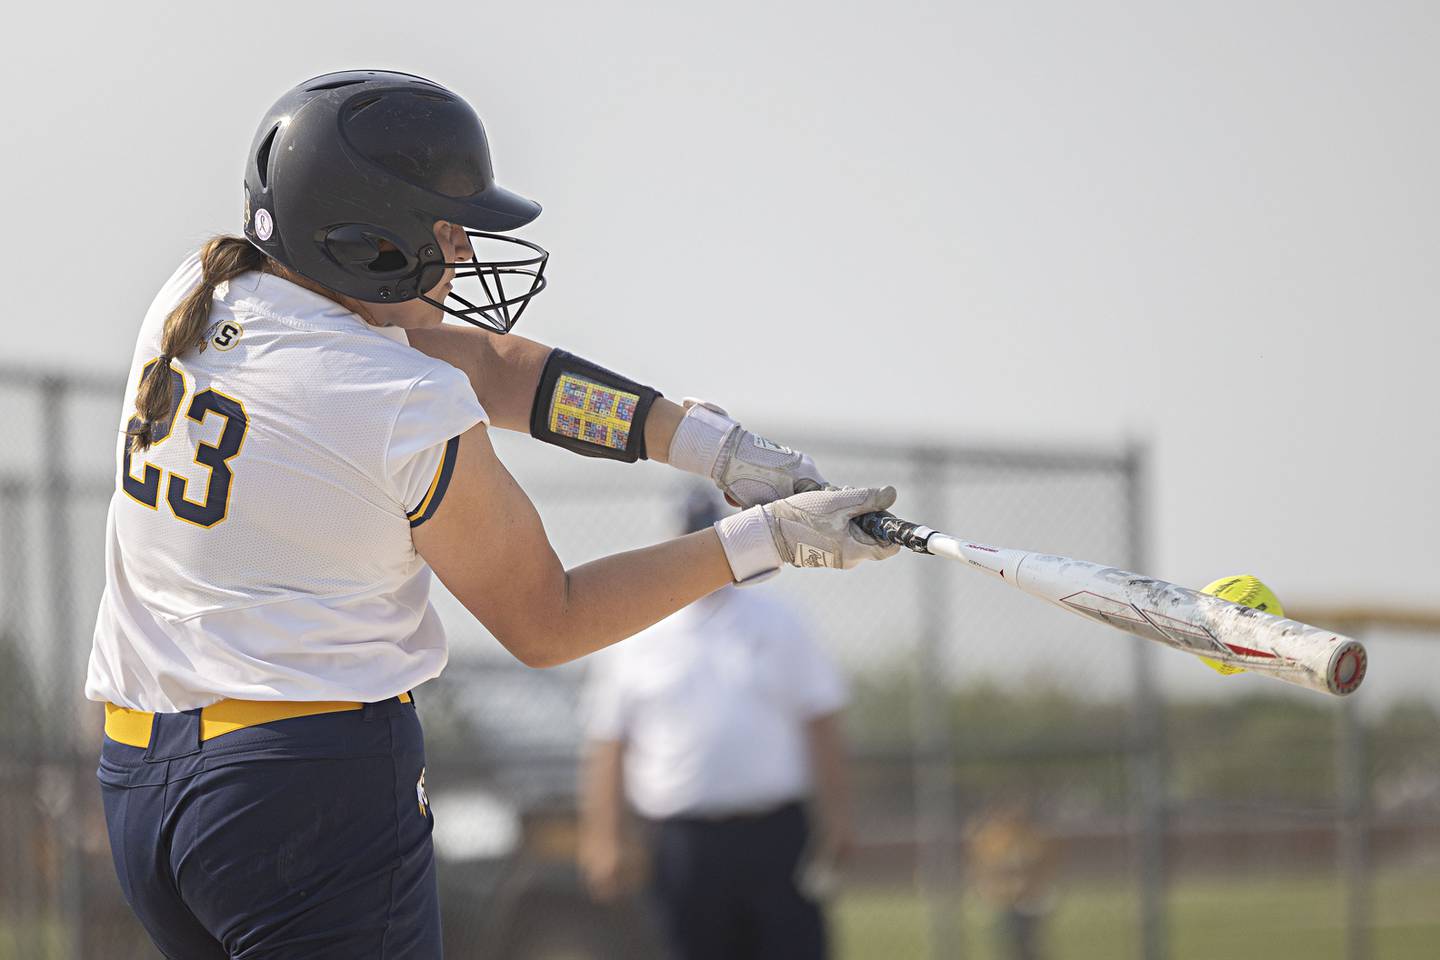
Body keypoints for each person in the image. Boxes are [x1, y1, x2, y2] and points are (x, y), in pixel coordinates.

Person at [85, 69, 898, 960]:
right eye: (441, 228)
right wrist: (761, 540)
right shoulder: (397, 397)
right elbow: (549, 620)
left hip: (141, 784)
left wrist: (708, 445)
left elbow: (499, 367)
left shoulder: (197, 296)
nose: (464, 254)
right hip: (301, 789)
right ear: (362, 240)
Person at [578, 489, 854, 960]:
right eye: (689, 540)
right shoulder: (635, 633)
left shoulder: (779, 620)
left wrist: (838, 818)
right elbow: (609, 741)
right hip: (683, 841)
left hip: (776, 834)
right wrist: (604, 837)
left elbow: (821, 721)